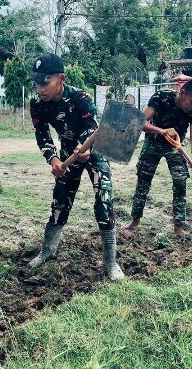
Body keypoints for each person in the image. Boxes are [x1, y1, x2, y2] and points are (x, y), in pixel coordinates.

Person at [28, 53, 124, 281]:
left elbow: (92, 127)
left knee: (103, 200)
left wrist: (85, 148)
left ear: (61, 79)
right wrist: (53, 159)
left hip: (94, 150)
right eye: (37, 83)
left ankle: (111, 263)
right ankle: (48, 250)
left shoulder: (81, 98)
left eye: (46, 82)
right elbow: (42, 134)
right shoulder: (37, 104)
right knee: (60, 200)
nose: (41, 88)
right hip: (68, 153)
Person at [121, 79, 192, 238]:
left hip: (175, 146)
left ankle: (178, 227)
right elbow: (140, 122)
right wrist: (162, 131)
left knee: (180, 181)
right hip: (153, 141)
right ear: (182, 93)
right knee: (143, 180)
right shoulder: (162, 97)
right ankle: (135, 220)